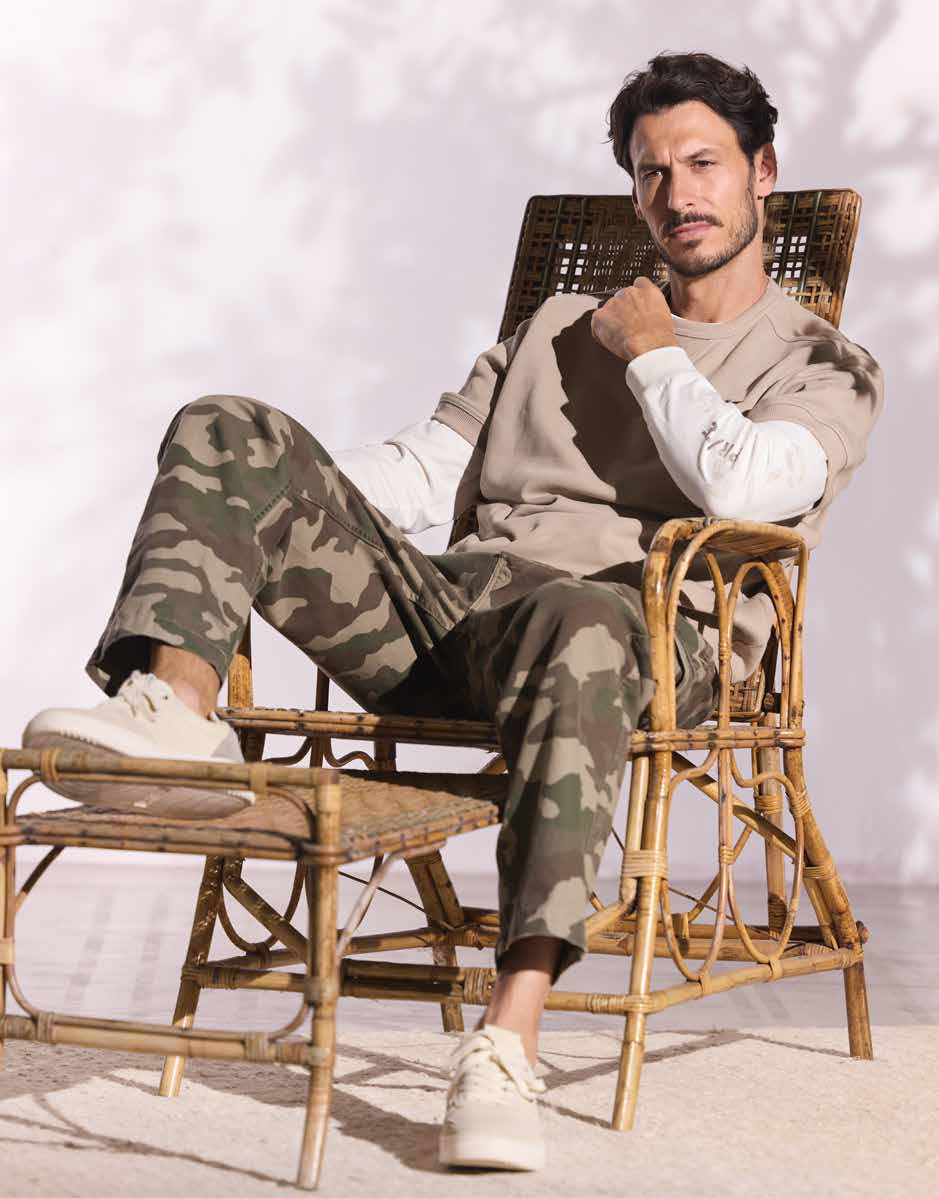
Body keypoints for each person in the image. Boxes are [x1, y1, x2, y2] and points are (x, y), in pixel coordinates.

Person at [22, 52, 883, 1171]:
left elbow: (744, 487)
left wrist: (652, 353)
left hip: (642, 639)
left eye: (704, 163)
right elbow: (428, 472)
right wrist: (273, 495)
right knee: (228, 426)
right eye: (651, 170)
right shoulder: (555, 326)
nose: (677, 193)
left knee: (578, 614)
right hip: (466, 620)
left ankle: (504, 1045)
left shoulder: (824, 362)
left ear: (763, 171)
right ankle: (175, 714)